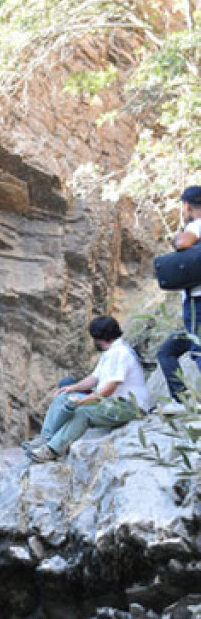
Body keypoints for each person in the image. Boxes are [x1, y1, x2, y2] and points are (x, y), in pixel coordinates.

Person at [23, 315, 148, 463]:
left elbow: (111, 387)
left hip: (129, 406)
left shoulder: (121, 353)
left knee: (83, 412)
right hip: (113, 402)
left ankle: (52, 450)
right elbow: (94, 378)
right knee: (63, 397)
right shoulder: (111, 352)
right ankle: (45, 439)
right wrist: (72, 388)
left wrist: (85, 401)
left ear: (100, 337)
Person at [155, 185, 201, 405]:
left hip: (198, 301)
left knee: (198, 348)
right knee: (169, 350)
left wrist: (179, 237)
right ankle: (181, 400)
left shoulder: (197, 225)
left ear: (187, 205)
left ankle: (182, 402)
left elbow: (183, 243)